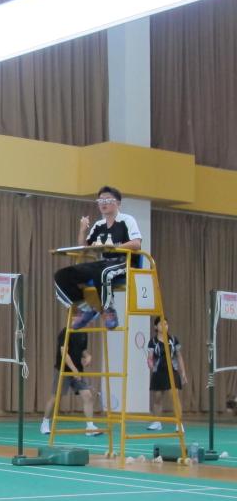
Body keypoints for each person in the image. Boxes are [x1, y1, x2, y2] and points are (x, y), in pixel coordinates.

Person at [53, 186, 142, 330]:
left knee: (102, 272)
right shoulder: (98, 225)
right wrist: (83, 230)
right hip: (105, 262)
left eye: (107, 200)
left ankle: (108, 310)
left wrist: (113, 247)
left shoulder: (127, 220)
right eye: (100, 200)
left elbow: (136, 244)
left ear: (118, 203)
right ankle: (85, 309)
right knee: (62, 275)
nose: (103, 203)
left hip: (125, 262)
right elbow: (84, 247)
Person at [40, 328, 99, 436]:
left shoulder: (84, 333)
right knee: (56, 398)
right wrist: (74, 370)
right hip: (63, 370)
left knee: (87, 396)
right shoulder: (65, 332)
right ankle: (45, 423)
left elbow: (81, 350)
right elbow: (64, 353)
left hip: (77, 370)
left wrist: (87, 356)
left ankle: (90, 427)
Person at [146, 316, 188, 431]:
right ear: (156, 326)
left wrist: (183, 372)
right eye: (161, 324)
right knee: (157, 398)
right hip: (158, 372)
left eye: (166, 324)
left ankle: (179, 423)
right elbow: (150, 357)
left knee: (174, 396)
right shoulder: (152, 342)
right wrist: (150, 362)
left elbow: (179, 357)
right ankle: (157, 422)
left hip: (172, 371)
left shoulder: (173, 340)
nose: (164, 326)